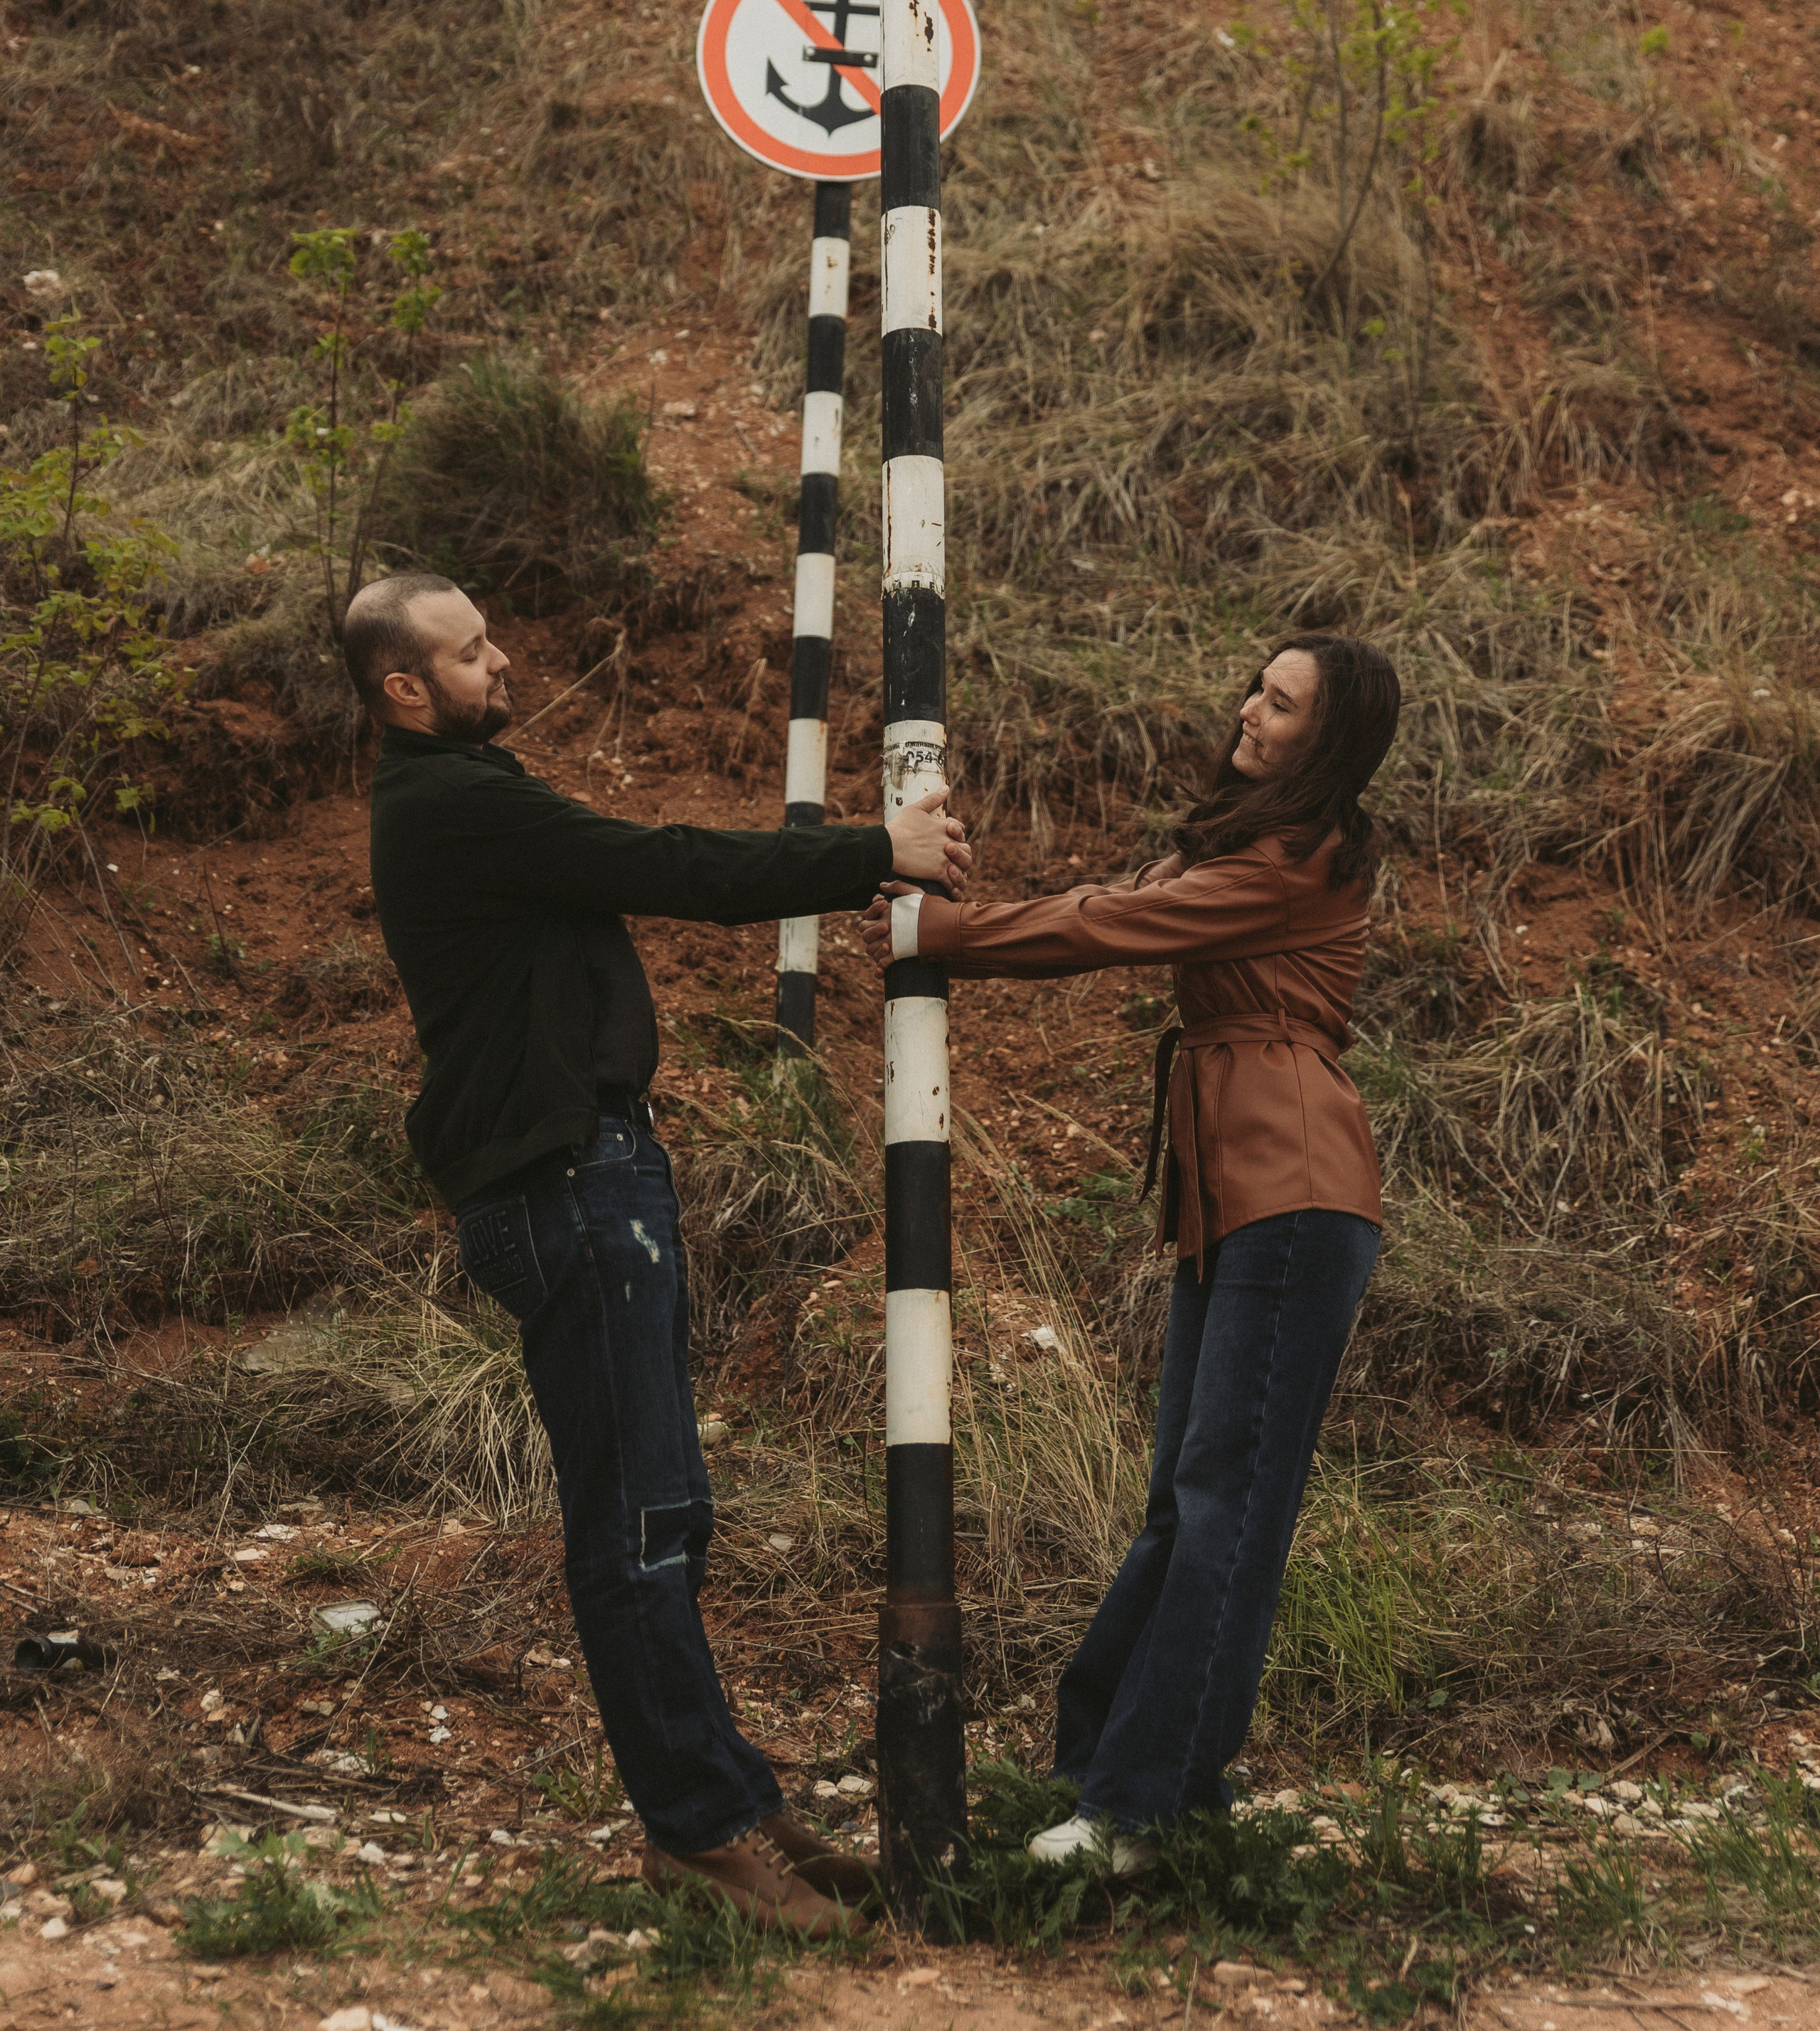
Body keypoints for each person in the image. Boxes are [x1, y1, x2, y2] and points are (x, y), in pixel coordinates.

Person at [342, 570, 972, 1935]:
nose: (501, 662)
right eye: (471, 652)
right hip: (568, 1184)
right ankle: (698, 1836)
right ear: (404, 688)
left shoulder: (465, 794)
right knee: (635, 1526)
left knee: (665, 1513)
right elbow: (671, 864)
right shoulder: (453, 803)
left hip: (596, 1175)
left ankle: (728, 1804)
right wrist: (877, 848)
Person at [860, 632, 1400, 1870]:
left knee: (1221, 1511)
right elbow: (1123, 897)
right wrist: (942, 886)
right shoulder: (1255, 842)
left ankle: (1140, 1811)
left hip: (1294, 1195)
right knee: (1189, 1505)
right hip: (1242, 1195)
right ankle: (1109, 1772)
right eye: (1256, 687)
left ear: (1329, 740)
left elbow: (1116, 923)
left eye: (1282, 704)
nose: (1250, 710)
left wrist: (946, 934)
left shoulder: (1300, 863)